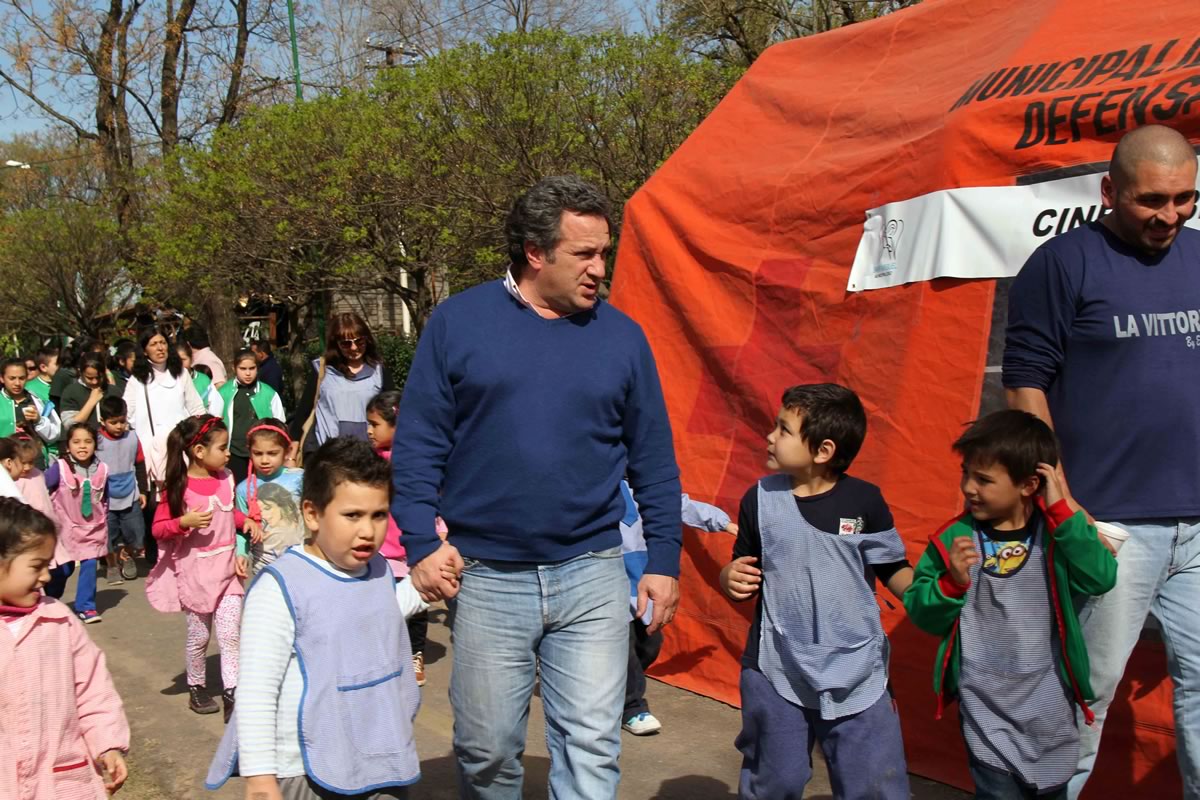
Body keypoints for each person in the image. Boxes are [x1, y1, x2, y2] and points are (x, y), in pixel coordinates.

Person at [391, 175, 683, 799]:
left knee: (592, 747)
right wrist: (419, 542)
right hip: (488, 576)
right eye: (584, 254)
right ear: (534, 252)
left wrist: (662, 558)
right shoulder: (458, 324)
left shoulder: (623, 338)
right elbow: (417, 446)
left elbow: (654, 458)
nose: (599, 269)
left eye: (605, 252)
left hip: (595, 572)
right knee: (488, 749)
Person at [1001, 124, 1200, 798]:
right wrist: (1061, 502)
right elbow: (1025, 384)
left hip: (1199, 530)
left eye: (1184, 199)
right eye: (1152, 200)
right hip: (1110, 530)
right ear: (1110, 190)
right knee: (1081, 703)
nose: (1169, 215)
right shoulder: (1063, 264)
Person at [905, 410, 1117, 799]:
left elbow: (1101, 577)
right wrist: (952, 583)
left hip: (1049, 703)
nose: (969, 487)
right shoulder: (954, 539)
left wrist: (1063, 513)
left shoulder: (1058, 534)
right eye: (966, 473)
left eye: (983, 479)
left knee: (1051, 787)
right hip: (985, 704)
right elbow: (921, 610)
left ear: (1029, 484)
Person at [719, 383, 913, 800]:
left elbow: (893, 567)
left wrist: (929, 596)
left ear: (823, 450)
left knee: (873, 785)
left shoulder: (865, 501)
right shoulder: (759, 499)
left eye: (783, 429)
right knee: (776, 780)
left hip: (857, 667)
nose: (770, 436)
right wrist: (729, 577)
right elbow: (744, 565)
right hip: (775, 665)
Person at [207, 438, 429, 799]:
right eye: (352, 515)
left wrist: (423, 585)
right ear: (312, 513)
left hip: (378, 751)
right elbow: (257, 692)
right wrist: (261, 777)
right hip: (304, 768)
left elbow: (372, 614)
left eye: (379, 515)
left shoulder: (377, 569)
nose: (368, 531)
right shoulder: (280, 587)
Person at [0, 498, 130, 798]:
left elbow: (93, 687)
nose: (46, 576)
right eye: (37, 566)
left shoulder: (57, 620)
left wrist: (107, 744)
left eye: (48, 564)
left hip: (58, 782)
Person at [145, 414, 256, 720]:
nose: (228, 453)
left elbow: (228, 512)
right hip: (195, 575)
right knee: (199, 637)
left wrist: (244, 521)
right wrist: (183, 522)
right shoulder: (178, 487)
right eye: (222, 447)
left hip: (227, 571)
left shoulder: (226, 479)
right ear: (199, 451)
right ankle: (196, 686)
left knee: (231, 634)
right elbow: (158, 529)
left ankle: (233, 693)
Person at [620, 483, 737, 736]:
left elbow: (680, 505)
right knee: (621, 648)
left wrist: (722, 522)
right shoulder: (596, 484)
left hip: (642, 580)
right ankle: (631, 707)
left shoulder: (645, 488)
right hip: (608, 580)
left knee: (649, 645)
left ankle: (611, 687)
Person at [124, 326, 207, 566]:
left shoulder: (180, 373)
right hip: (150, 449)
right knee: (154, 501)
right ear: (144, 350)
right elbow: (126, 411)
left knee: (180, 494)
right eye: (153, 344)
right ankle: (155, 550)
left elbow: (196, 408)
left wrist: (201, 434)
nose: (160, 348)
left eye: (162, 342)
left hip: (179, 446)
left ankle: (183, 547)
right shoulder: (137, 379)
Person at [368, 389, 430, 687]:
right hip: (380, 549)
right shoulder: (369, 460)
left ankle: (415, 653)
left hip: (408, 546)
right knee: (383, 602)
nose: (369, 430)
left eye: (375, 424)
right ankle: (387, 654)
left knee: (417, 606)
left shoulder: (411, 460)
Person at [289, 311, 393, 460]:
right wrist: (295, 441)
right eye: (346, 343)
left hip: (369, 455)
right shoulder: (322, 370)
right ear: (335, 344)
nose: (353, 348)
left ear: (367, 340)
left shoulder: (379, 370)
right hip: (327, 454)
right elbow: (304, 409)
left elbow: (392, 412)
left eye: (359, 341)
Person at [44, 422, 109, 624]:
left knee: (90, 565)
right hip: (64, 530)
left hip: (92, 529)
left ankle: (86, 607)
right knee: (64, 569)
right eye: (77, 442)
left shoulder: (103, 469)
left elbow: (107, 497)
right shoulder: (60, 468)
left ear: (95, 445)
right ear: (68, 446)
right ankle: (49, 599)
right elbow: (41, 487)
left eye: (88, 441)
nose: (82, 446)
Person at [234, 418, 304, 576]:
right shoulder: (244, 489)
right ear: (249, 451)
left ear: (287, 451)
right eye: (258, 453)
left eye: (272, 453)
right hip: (264, 564)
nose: (264, 460)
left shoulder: (300, 478)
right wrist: (241, 553)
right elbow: (243, 527)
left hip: (300, 560)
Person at [208, 349, 285, 484]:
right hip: (234, 452)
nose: (248, 373)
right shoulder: (223, 393)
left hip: (262, 452)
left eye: (252, 368)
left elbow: (280, 423)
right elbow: (213, 421)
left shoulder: (269, 393)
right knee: (238, 487)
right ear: (234, 368)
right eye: (243, 368)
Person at [97, 396, 148, 585]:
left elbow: (140, 464)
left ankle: (126, 554)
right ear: (103, 421)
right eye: (113, 422)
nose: (119, 426)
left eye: (122, 421)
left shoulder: (132, 438)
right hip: (105, 497)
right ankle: (111, 564)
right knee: (107, 536)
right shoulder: (97, 440)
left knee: (136, 535)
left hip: (130, 494)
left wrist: (143, 490)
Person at [0, 357, 61, 445]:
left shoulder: (38, 400)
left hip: (35, 456)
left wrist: (39, 421)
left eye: (21, 378)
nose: (17, 383)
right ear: (2, 378)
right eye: (12, 378)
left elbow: (55, 434)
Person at [59, 352, 120, 432]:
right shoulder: (71, 391)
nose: (95, 382)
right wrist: (92, 401)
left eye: (99, 377)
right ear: (80, 372)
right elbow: (70, 426)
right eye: (90, 378)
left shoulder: (114, 391)